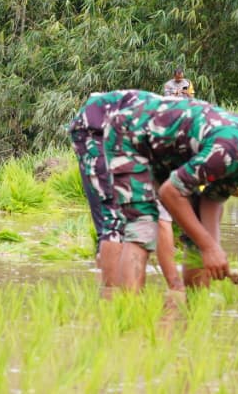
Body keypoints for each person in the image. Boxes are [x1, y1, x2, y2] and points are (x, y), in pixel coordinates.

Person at [99, 89, 238, 291]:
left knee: (201, 244)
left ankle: (194, 313)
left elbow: (213, 196)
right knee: (143, 225)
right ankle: (128, 316)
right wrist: (209, 247)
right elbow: (170, 192)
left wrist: (212, 248)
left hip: (170, 155)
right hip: (130, 135)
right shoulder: (233, 149)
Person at [70, 92, 182, 297]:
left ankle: (115, 294)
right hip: (97, 126)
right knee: (114, 214)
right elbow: (163, 222)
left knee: (117, 216)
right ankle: (113, 299)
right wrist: (176, 287)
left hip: (119, 128)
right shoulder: (181, 147)